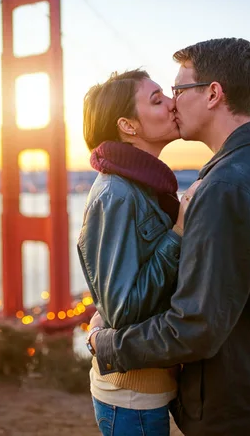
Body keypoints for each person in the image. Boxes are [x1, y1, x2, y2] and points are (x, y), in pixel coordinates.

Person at [88, 39, 250, 436]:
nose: (173, 103)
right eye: (161, 97)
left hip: (240, 409)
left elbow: (195, 325)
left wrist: (106, 344)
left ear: (212, 93)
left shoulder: (225, 185)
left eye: (176, 91)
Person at [78, 69, 200, 436]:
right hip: (131, 398)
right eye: (157, 99)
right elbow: (124, 309)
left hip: (149, 388)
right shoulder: (116, 194)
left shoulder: (145, 186)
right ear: (128, 126)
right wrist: (178, 232)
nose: (172, 103)